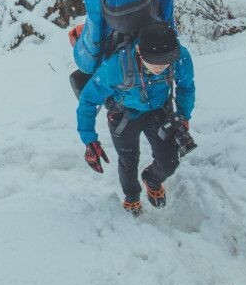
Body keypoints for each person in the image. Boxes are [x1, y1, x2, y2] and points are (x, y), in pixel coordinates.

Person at [76, 21, 196, 216]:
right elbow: (88, 100)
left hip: (160, 110)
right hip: (124, 114)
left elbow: (186, 87)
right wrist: (89, 140)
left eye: (166, 62)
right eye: (155, 62)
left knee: (169, 162)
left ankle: (152, 179)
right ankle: (131, 196)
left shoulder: (179, 56)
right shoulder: (117, 66)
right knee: (128, 159)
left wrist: (183, 115)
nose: (161, 67)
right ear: (139, 50)